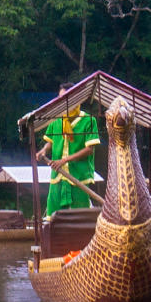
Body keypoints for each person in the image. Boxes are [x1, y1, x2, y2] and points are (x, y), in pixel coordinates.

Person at [35, 82, 100, 218]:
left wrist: (64, 160)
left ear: (75, 98)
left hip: (79, 176)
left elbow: (90, 149)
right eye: (59, 98)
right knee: (52, 213)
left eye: (65, 98)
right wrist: (43, 151)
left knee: (81, 214)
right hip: (58, 175)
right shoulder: (55, 120)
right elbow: (50, 142)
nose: (61, 102)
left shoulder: (88, 120)